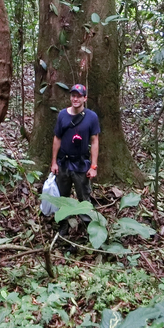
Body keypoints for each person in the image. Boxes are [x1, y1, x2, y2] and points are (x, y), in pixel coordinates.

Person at [50, 84, 100, 235]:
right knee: (62, 197)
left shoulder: (92, 117)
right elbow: (57, 138)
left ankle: (89, 229)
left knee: (84, 198)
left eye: (79, 96)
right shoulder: (62, 115)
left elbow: (95, 141)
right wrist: (53, 162)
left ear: (85, 98)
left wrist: (94, 166)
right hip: (63, 163)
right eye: (73, 95)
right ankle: (63, 226)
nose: (75, 98)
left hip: (80, 164)